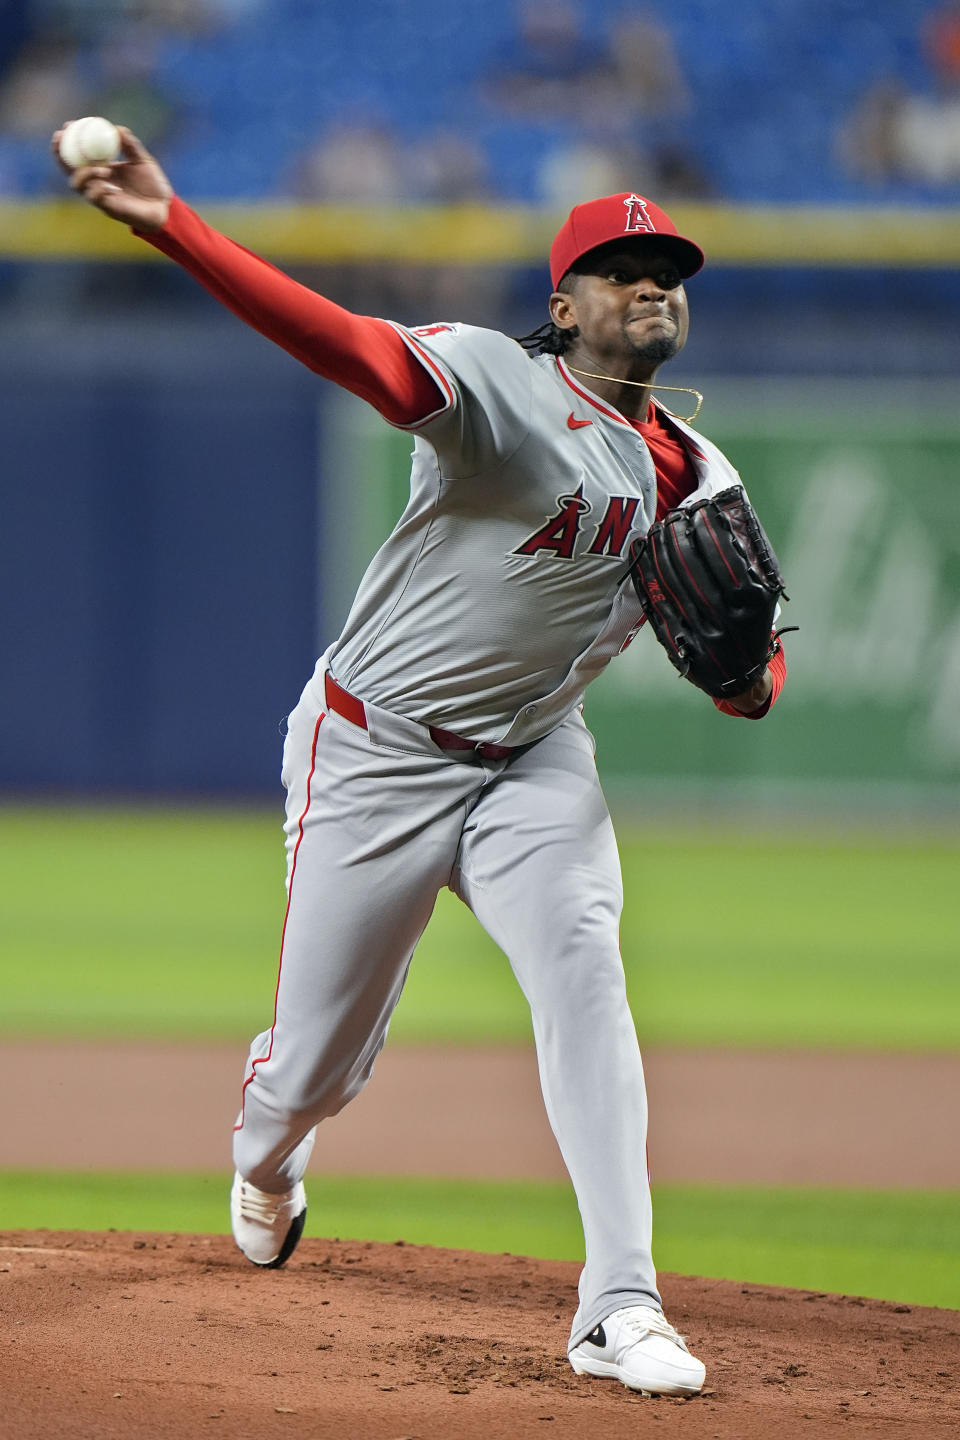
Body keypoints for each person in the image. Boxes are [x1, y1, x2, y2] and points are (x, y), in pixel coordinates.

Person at [55, 126, 788, 1400]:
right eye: (621, 267)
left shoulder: (701, 477)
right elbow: (342, 343)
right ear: (564, 305)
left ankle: (620, 1302)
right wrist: (176, 223)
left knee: (586, 971)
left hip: (533, 762)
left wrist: (738, 672)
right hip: (374, 752)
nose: (652, 282)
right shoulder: (500, 381)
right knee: (312, 1073)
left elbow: (754, 689)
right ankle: (268, 1158)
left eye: (667, 265)